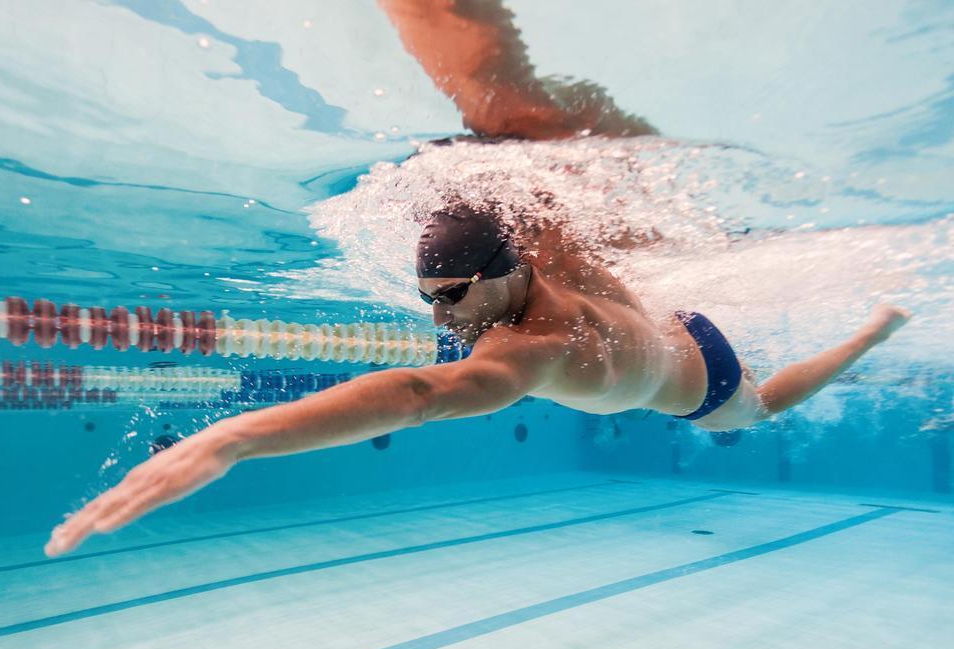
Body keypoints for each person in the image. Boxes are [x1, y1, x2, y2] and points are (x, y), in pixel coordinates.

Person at [44, 0, 910, 557]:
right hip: (653, 324)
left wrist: (235, 437)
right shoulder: (534, 250)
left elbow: (422, 391)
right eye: (431, 299)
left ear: (503, 272)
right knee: (515, 122)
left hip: (696, 371)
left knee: (760, 408)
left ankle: (872, 329)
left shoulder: (531, 347)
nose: (443, 314)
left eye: (455, 297)